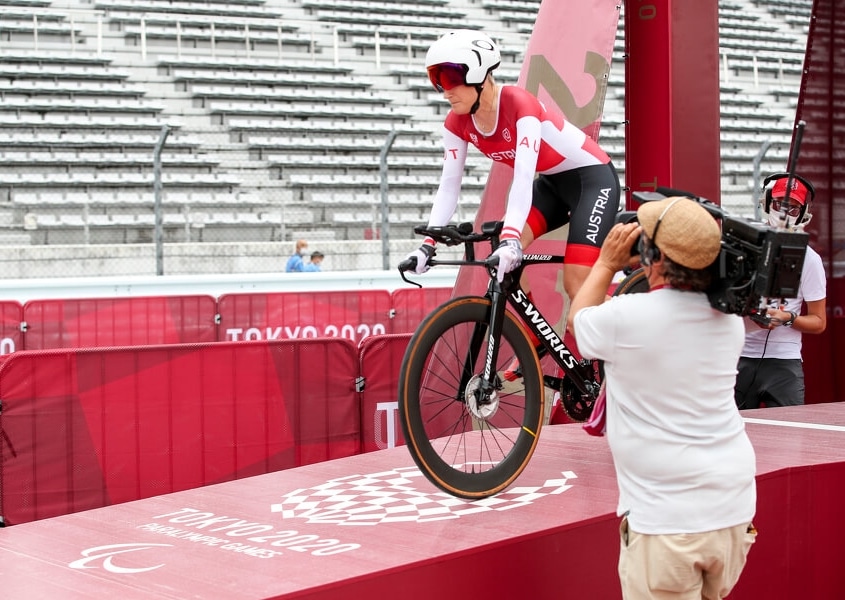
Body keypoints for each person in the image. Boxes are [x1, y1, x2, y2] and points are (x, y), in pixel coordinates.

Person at [566, 197, 757, 599]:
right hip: (732, 511)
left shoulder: (627, 318)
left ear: (653, 256)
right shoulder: (730, 322)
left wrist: (606, 263)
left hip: (668, 523)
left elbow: (577, 321)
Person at [405, 29, 621, 301]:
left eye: (449, 77)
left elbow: (522, 176)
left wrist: (512, 239)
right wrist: (427, 245)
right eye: (435, 79)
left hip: (592, 181)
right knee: (500, 259)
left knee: (578, 286)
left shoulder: (519, 104)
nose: (444, 91)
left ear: (478, 73)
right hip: (552, 184)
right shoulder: (455, 122)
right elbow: (449, 187)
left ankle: (636, 327)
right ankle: (532, 342)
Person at [735, 174, 827, 409]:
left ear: (804, 212)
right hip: (739, 354)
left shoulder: (811, 260)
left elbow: (819, 322)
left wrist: (788, 318)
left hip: (785, 360)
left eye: (794, 208)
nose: (785, 212)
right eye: (779, 204)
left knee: (792, 435)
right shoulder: (743, 247)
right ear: (767, 203)